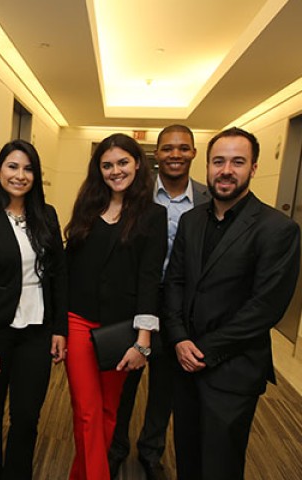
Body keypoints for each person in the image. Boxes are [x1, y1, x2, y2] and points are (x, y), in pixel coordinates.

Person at [164, 127, 300, 480]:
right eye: (219, 161)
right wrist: (178, 338)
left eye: (237, 162)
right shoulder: (192, 220)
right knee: (188, 457)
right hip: (184, 362)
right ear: (207, 166)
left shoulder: (277, 229)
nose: (226, 170)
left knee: (221, 465)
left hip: (232, 369)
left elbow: (266, 308)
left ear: (253, 168)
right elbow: (175, 281)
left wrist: (203, 350)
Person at [0, 139, 67, 480]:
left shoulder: (46, 216)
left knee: (27, 417)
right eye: (13, 167)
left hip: (36, 331)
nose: (20, 175)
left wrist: (59, 328)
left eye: (28, 168)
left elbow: (59, 277)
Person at [63, 133, 167, 480]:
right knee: (88, 410)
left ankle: (81, 474)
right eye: (107, 165)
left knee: (109, 411)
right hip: (79, 321)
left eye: (123, 162)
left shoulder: (153, 215)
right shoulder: (87, 207)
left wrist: (143, 341)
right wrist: (57, 328)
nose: (115, 171)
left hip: (120, 330)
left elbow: (149, 280)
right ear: (99, 170)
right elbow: (70, 267)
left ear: (137, 163)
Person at [109, 125, 210, 479]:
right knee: (125, 379)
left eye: (183, 148)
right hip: (136, 301)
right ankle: (116, 445)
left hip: (181, 307)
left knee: (165, 384)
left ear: (194, 153)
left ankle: (150, 450)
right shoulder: (136, 193)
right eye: (167, 149)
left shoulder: (208, 198)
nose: (175, 155)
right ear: (156, 155)